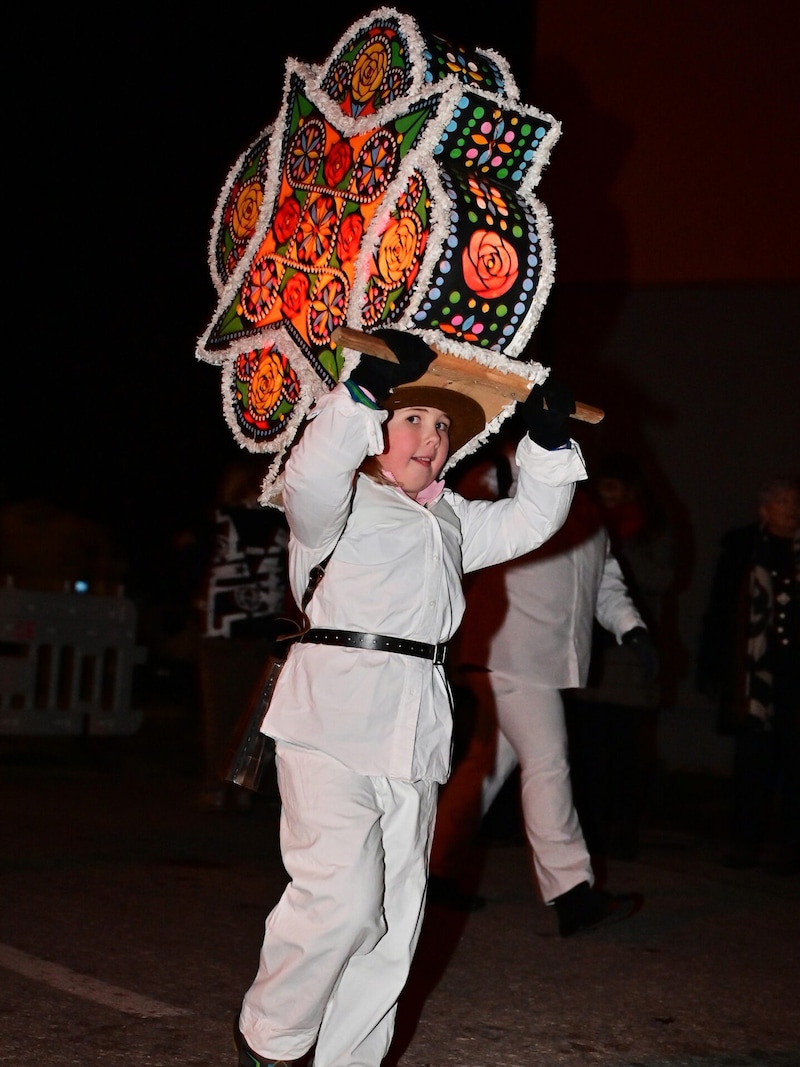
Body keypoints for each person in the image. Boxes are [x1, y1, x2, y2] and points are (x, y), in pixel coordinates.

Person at [233, 328, 587, 1067]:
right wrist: (360, 388)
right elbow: (311, 475)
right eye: (413, 418)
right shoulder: (335, 501)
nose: (431, 436)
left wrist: (549, 443)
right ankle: (271, 1039)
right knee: (342, 899)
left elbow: (531, 520)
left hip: (414, 730)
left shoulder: (454, 519)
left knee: (394, 922)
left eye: (444, 426)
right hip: (329, 719)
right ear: (378, 429)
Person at [428, 435, 651, 936]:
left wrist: (629, 626)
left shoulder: (582, 499)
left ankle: (432, 871)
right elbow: (452, 533)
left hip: (541, 657)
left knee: (485, 767)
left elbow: (605, 577)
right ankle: (572, 893)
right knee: (548, 760)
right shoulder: (497, 476)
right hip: (507, 650)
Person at [564, 454, 676, 863]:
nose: (609, 493)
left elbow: (662, 579)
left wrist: (622, 550)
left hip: (630, 656)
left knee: (626, 750)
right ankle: (591, 830)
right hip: (592, 653)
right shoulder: (584, 524)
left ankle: (624, 829)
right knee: (589, 749)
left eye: (617, 486)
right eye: (604, 484)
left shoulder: (651, 529)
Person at [695, 476, 800, 875]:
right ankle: (745, 840)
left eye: (794, 500)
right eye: (782, 501)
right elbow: (721, 609)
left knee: (795, 761)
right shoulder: (743, 548)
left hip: (796, 675)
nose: (790, 507)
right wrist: (711, 665)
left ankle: (790, 847)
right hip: (755, 672)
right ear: (764, 510)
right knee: (753, 760)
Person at [194, 453, 289, 812]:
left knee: (220, 710)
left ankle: (217, 785)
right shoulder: (284, 523)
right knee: (259, 711)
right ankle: (244, 787)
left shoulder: (219, 522)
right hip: (264, 625)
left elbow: (201, 570)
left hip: (222, 625)